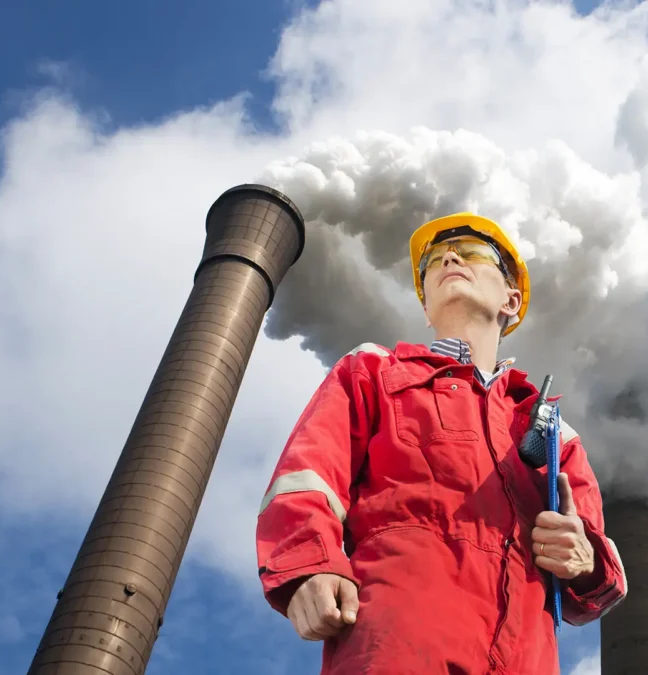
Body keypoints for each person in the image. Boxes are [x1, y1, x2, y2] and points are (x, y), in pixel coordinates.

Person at [255, 212, 627, 674]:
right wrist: (311, 566)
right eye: (432, 262)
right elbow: (307, 477)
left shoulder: (551, 432)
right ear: (427, 307)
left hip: (525, 656)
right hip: (400, 644)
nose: (449, 257)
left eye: (473, 253)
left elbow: (595, 579)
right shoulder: (373, 370)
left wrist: (585, 559)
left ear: (511, 300)